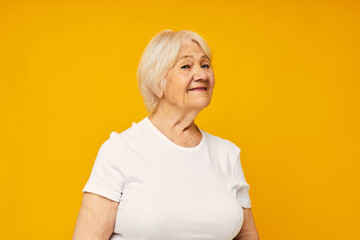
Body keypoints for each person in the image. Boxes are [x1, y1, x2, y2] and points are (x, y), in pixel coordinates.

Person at [72, 29, 259, 240]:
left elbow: (247, 235)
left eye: (205, 65)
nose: (202, 74)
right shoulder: (121, 151)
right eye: (186, 66)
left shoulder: (227, 154)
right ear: (157, 82)